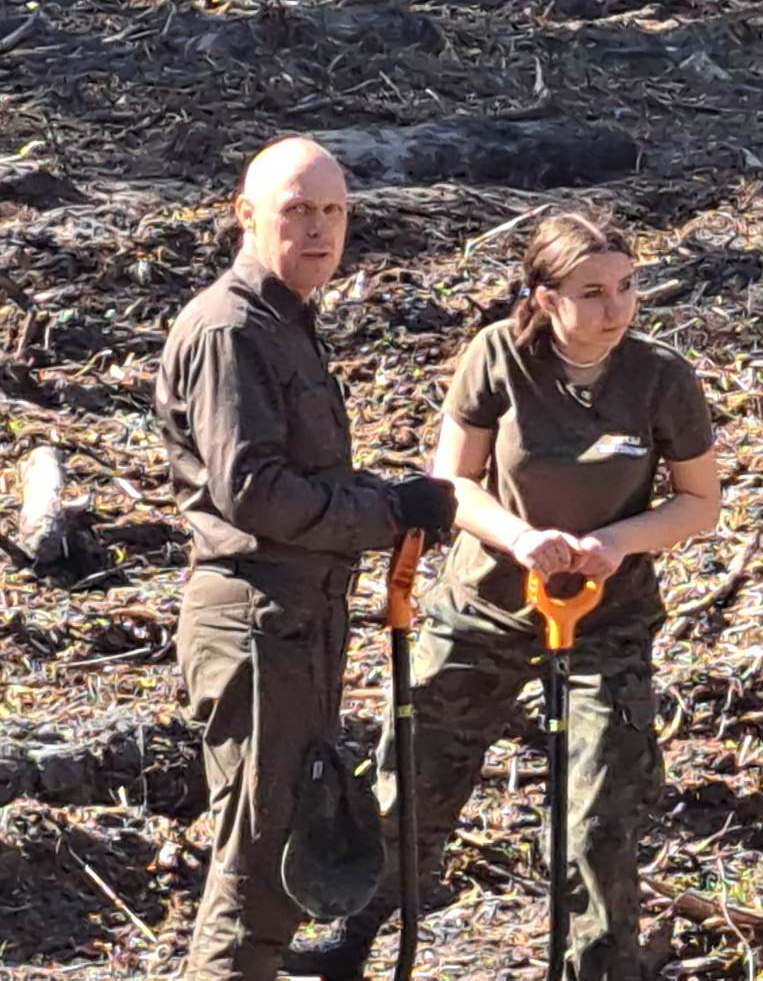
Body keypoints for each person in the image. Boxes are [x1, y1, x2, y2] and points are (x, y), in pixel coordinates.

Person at [289, 209, 723, 981]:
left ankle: (600, 966)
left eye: (627, 287)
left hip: (604, 617)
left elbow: (699, 502)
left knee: (599, 811)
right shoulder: (498, 357)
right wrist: (520, 538)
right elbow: (450, 482)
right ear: (545, 297)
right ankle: (354, 936)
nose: (616, 309)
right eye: (592, 293)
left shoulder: (661, 377)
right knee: (414, 775)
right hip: (486, 603)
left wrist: (616, 544)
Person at [161, 137, 457, 981]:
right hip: (256, 621)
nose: (319, 230)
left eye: (334, 211)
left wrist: (389, 498)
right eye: (296, 211)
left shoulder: (286, 321)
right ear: (246, 216)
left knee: (287, 852)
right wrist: (384, 514)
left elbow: (302, 475)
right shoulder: (230, 330)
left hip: (298, 621)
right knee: (258, 867)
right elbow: (254, 493)